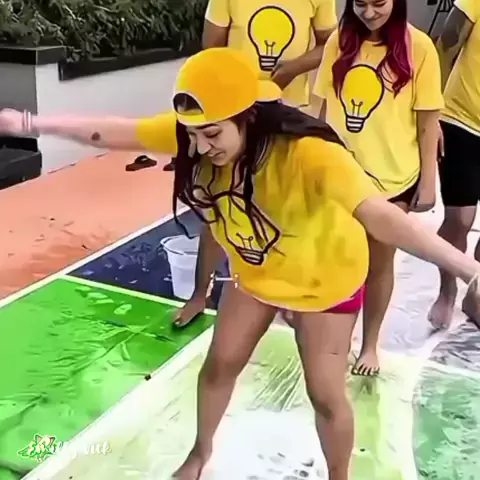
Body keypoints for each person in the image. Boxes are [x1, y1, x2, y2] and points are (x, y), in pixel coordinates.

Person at [1, 47, 480, 480]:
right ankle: (199, 454)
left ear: (248, 116)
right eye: (192, 135)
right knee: (219, 365)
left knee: (325, 395)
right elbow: (113, 132)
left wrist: (468, 269)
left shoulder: (308, 155)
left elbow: (381, 216)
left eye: (212, 134)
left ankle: (340, 476)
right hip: (258, 275)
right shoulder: (197, 136)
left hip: (325, 280)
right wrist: (31, 124)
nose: (200, 147)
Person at [166, 0, 338, 307]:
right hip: (232, 114)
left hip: (285, 112)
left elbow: (331, 43)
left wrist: (290, 70)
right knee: (218, 199)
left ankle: (290, 286)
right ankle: (201, 292)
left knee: (285, 204)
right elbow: (211, 52)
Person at [312, 0, 443, 375]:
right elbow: (323, 110)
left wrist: (428, 182)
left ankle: (370, 344)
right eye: (361, 4)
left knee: (379, 264)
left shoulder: (420, 48)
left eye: (379, 3)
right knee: (337, 261)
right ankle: (337, 340)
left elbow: (427, 121)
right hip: (341, 174)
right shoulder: (340, 41)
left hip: (393, 179)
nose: (369, 13)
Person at [428, 0, 480, 329]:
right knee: (460, 218)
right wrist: (430, 109)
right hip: (462, 121)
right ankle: (446, 289)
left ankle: (475, 294)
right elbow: (445, 46)